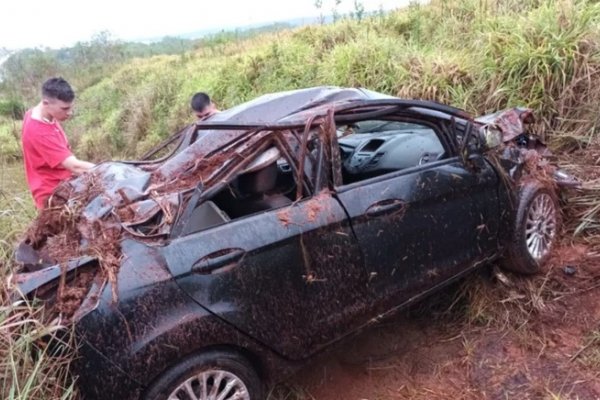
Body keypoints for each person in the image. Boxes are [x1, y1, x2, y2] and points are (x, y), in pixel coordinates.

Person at [21, 77, 95, 209]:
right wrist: (108, 168)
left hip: (67, 183)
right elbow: (75, 166)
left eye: (70, 107)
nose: (69, 113)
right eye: (64, 109)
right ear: (46, 103)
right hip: (54, 195)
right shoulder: (40, 132)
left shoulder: (39, 113)